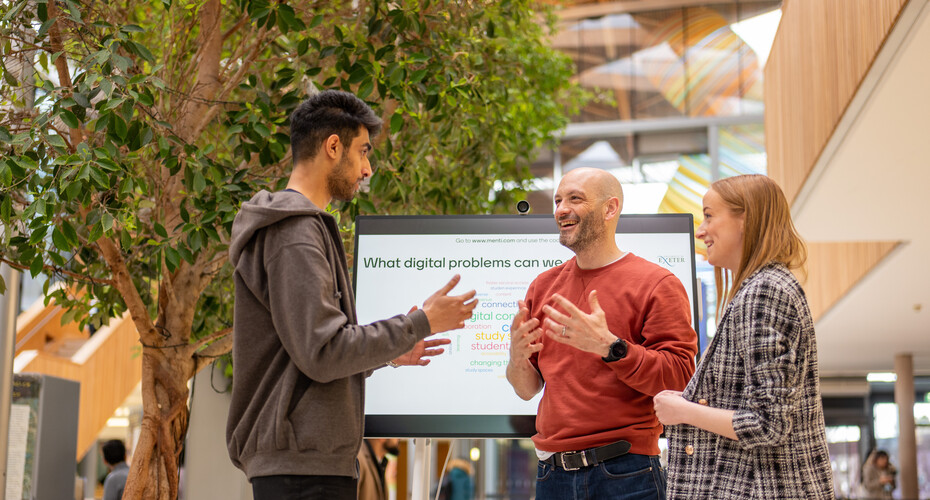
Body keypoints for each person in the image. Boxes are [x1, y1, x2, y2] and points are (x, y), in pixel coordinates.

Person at [226, 90, 478, 500]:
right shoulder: (295, 233)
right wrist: (421, 322)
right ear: (332, 147)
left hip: (306, 465)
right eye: (363, 152)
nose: (367, 168)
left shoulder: (300, 228)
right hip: (303, 472)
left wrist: (391, 353)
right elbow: (323, 351)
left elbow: (307, 355)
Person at [506, 167, 698, 500]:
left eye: (575, 198)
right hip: (552, 476)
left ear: (610, 209)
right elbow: (527, 389)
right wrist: (516, 357)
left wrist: (610, 347)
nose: (561, 209)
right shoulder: (543, 286)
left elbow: (681, 378)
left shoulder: (657, 284)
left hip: (626, 474)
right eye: (558, 200)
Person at [653, 174, 835, 499]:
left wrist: (684, 411)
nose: (700, 230)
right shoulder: (765, 287)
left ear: (744, 219)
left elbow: (768, 423)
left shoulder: (763, 291)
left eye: (709, 215)